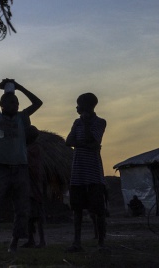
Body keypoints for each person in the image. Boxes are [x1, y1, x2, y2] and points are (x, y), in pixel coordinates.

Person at [0, 78, 43, 254]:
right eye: (11, 102)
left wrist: (20, 87)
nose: (16, 105)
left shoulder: (22, 118)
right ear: (2, 104)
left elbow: (38, 102)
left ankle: (14, 243)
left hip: (20, 168)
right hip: (1, 169)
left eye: (17, 102)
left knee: (22, 208)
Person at [65, 92, 107, 251]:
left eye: (79, 104)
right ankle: (77, 242)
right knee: (77, 210)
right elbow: (69, 142)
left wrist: (87, 126)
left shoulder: (100, 122)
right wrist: (87, 145)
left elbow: (94, 140)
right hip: (78, 173)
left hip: (94, 174)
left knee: (99, 210)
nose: (76, 107)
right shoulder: (76, 123)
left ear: (87, 106)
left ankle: (101, 242)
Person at [23, 126, 46, 248]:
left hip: (34, 186)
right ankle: (31, 239)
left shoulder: (34, 149)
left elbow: (32, 166)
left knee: (37, 216)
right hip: (29, 186)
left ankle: (42, 240)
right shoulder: (29, 149)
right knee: (29, 216)